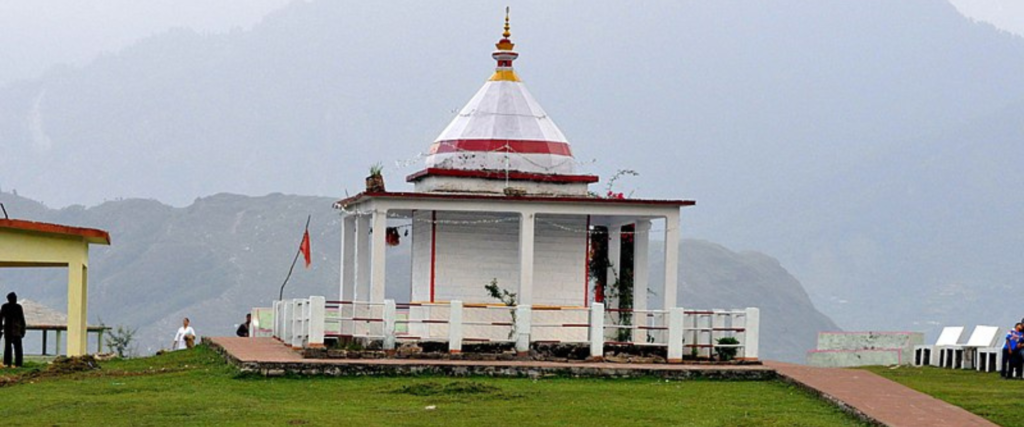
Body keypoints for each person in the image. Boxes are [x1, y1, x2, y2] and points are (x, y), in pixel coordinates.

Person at [0, 292, 26, 368]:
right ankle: (17, 364)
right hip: (14, 330)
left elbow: (0, 319)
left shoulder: (6, 307)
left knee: (10, 348)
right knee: (15, 348)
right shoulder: (17, 307)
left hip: (11, 330)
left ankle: (9, 363)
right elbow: (22, 320)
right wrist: (23, 330)